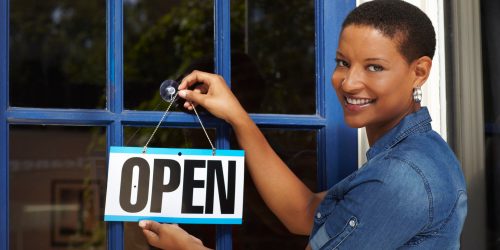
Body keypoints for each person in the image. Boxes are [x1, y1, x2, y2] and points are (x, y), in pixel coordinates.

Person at [138, 0, 468, 249]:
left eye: (374, 67)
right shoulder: (415, 152)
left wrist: (190, 247)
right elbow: (304, 211)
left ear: (419, 71)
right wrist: (237, 116)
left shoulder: (401, 177)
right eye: (343, 62)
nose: (349, 82)